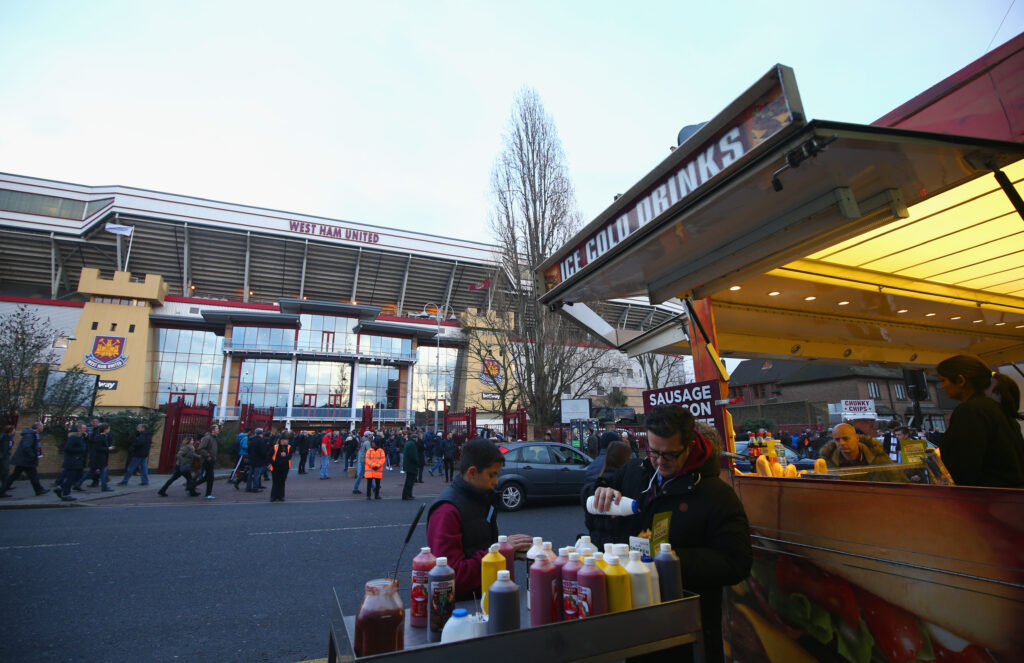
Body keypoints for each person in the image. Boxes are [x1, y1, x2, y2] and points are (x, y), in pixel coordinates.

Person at [591, 406, 752, 663]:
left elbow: (737, 562)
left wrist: (670, 559)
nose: (659, 461)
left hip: (688, 627)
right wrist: (600, 492)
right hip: (637, 618)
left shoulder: (716, 495)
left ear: (689, 446)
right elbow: (595, 503)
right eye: (653, 451)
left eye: (669, 455)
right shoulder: (636, 471)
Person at [426, 439, 533, 599]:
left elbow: (480, 546)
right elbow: (450, 575)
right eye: (492, 474)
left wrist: (510, 551)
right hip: (462, 609)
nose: (496, 481)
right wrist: (501, 552)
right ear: (472, 472)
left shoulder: (481, 497)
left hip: (482, 599)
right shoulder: (446, 511)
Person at [935, 355, 1024, 488]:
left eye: (943, 380)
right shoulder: (996, 408)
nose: (942, 386)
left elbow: (963, 466)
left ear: (960, 380)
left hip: (989, 498)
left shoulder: (971, 411)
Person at [581, 440, 633, 547]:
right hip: (618, 547)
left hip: (596, 545)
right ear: (627, 459)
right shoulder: (624, 486)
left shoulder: (596, 483)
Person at [819, 423, 905, 482]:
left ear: (857, 438)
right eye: (837, 440)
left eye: (846, 439)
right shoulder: (827, 462)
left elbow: (900, 482)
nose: (841, 443)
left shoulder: (878, 458)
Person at [2, 423, 49, 496]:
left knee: (19, 476)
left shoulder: (32, 434)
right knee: (31, 475)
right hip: (25, 460)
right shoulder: (30, 435)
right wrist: (33, 455)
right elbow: (26, 446)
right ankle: (39, 490)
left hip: (24, 459)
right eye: (42, 426)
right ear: (38, 427)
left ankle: (39, 490)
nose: (43, 428)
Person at [76, 423, 114, 492]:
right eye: (108, 428)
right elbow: (98, 448)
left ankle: (78, 484)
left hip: (99, 458)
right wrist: (108, 448)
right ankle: (104, 487)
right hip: (99, 458)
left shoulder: (104, 436)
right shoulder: (99, 437)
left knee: (90, 473)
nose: (109, 430)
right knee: (102, 473)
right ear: (105, 429)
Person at [55, 423, 88, 502]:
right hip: (73, 461)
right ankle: (66, 494)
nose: (85, 430)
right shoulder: (74, 437)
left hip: (78, 461)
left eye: (85, 428)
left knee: (76, 477)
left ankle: (60, 488)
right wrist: (81, 450)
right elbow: (67, 448)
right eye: (83, 428)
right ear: (78, 429)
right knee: (71, 478)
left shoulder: (80, 437)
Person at [195, 424, 219, 500]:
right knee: (210, 478)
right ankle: (208, 494)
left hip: (212, 460)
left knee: (207, 478)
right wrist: (208, 456)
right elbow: (200, 448)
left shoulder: (214, 438)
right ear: (212, 430)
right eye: (217, 428)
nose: (218, 430)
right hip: (208, 460)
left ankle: (190, 486)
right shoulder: (208, 438)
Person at [269, 434, 292, 502]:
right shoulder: (275, 447)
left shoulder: (289, 447)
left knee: (282, 482)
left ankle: (281, 496)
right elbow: (269, 455)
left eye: (287, 440)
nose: (286, 441)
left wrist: (283, 461)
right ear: (281, 440)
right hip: (275, 467)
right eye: (285, 440)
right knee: (275, 482)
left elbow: (289, 456)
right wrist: (273, 463)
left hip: (285, 467)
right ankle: (273, 496)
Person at [402, 434, 419, 500]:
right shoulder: (412, 444)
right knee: (410, 481)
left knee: (408, 481)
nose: (417, 439)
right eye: (417, 438)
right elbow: (413, 456)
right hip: (411, 465)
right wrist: (417, 461)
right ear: (415, 438)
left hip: (407, 465)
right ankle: (407, 495)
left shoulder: (408, 443)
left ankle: (407, 495)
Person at [0, 424, 14, 498]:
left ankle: (5, 488)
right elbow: (4, 449)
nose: (14, 431)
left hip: (5, 458)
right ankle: (2, 491)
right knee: (4, 473)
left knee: (5, 474)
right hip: (3, 458)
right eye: (13, 430)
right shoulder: (4, 437)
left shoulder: (9, 437)